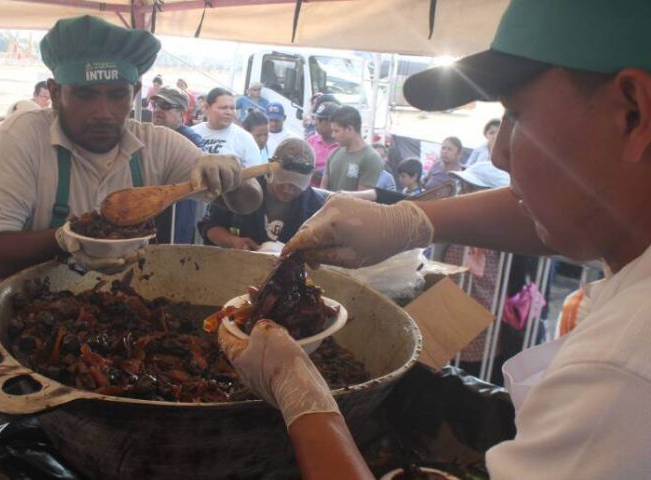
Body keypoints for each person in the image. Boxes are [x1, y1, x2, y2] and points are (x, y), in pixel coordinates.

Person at [218, 0, 651, 478]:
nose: (500, 152)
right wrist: (411, 220)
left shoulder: (624, 372)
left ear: (632, 113)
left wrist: (302, 396)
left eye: (517, 115)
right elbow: (573, 204)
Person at [0, 16, 261, 281]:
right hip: (27, 312)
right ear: (57, 92)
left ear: (135, 92)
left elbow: (249, 202)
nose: (103, 112)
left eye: (117, 95)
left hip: (122, 304)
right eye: (85, 95)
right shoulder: (21, 138)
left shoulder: (157, 145)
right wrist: (66, 240)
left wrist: (231, 177)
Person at [442, 162, 511, 378]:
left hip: (476, 336)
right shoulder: (467, 231)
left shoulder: (489, 238)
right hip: (458, 333)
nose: (463, 193)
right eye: (464, 187)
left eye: (471, 189)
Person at [198, 138, 325, 250]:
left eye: (296, 186)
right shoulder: (241, 188)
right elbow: (210, 226)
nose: (288, 189)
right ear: (270, 172)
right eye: (282, 182)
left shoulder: (316, 206)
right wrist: (234, 241)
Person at [149, 87, 204, 244]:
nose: (158, 110)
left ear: (181, 113)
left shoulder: (191, 140)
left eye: (165, 106)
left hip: (175, 221)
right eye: (156, 105)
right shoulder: (149, 135)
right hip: (152, 217)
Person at [192, 88, 263, 167]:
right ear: (207, 107)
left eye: (232, 108)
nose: (228, 112)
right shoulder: (192, 133)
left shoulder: (245, 138)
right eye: (223, 108)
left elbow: (254, 173)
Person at [321, 106, 383, 192]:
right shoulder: (334, 153)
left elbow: (361, 199)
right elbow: (322, 191)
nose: (333, 135)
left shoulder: (371, 158)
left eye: (336, 131)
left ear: (350, 129)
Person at [305, 102, 339, 187]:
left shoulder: (344, 146)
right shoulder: (310, 142)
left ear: (331, 122)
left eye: (319, 120)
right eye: (315, 119)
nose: (315, 123)